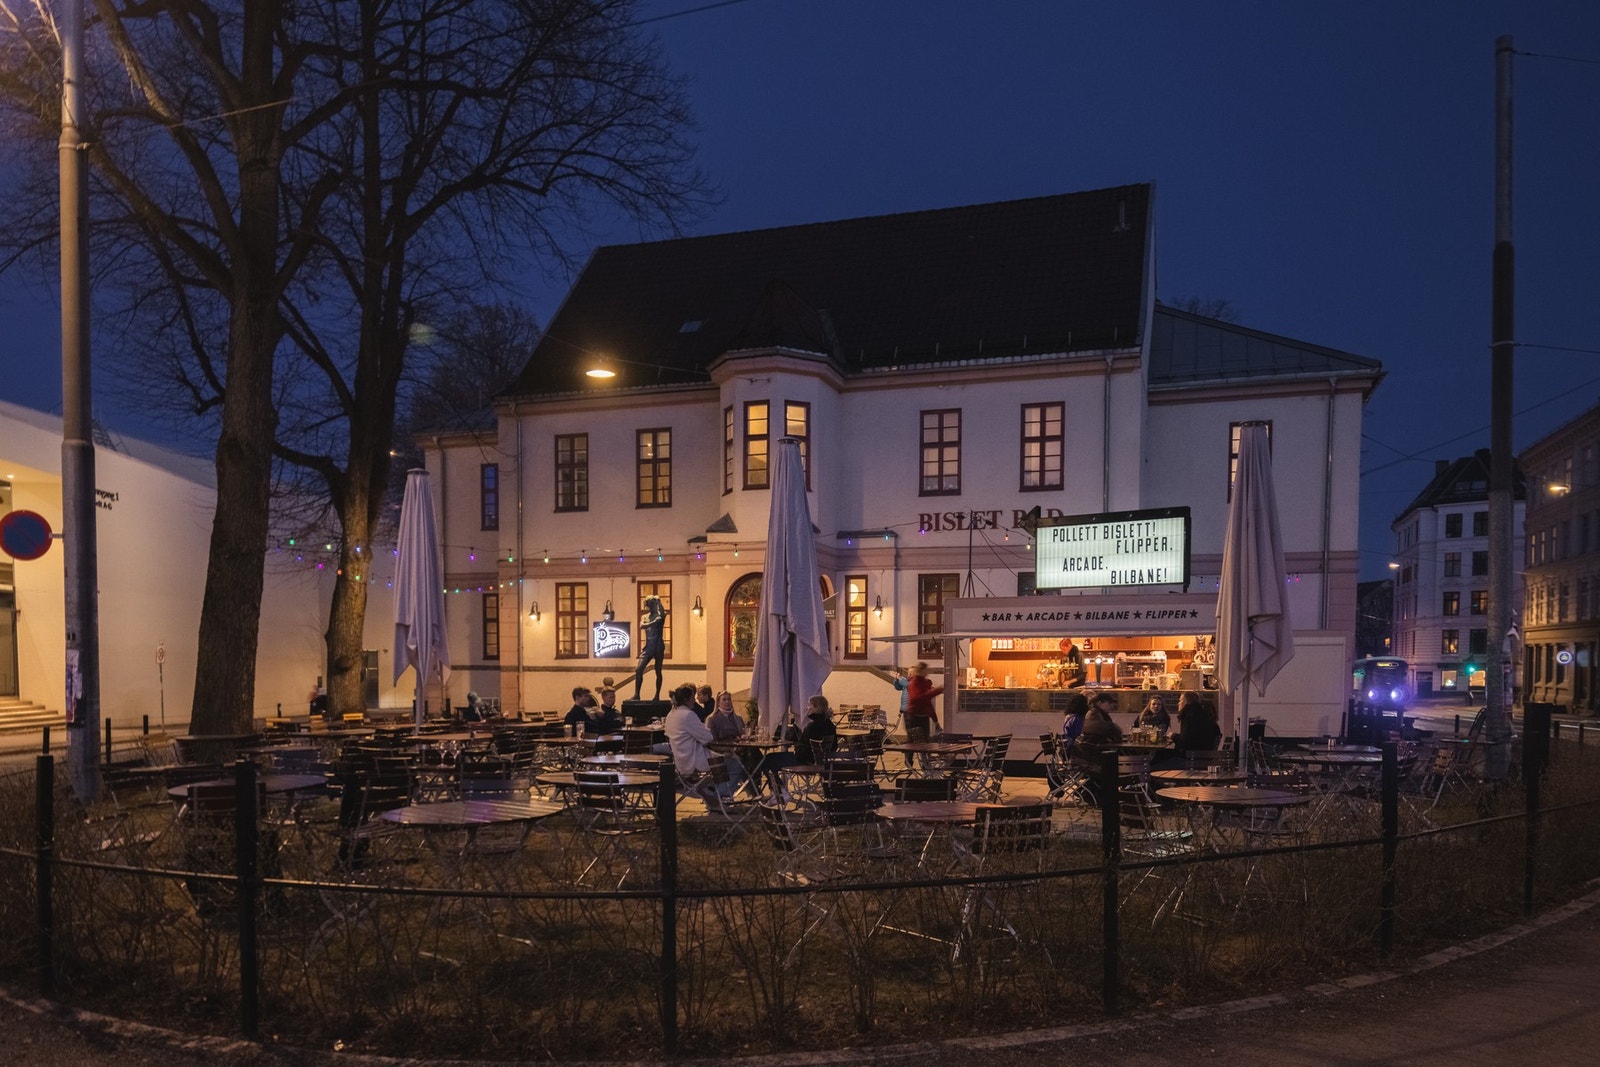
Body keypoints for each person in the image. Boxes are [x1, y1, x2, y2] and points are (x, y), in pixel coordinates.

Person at [664, 682, 741, 796]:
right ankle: (721, 797)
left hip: (680, 760)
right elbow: (708, 737)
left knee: (724, 763)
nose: (694, 701)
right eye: (692, 698)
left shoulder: (671, 714)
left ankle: (713, 796)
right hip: (694, 760)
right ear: (686, 700)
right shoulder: (688, 715)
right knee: (734, 764)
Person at [631, 595, 668, 701]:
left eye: (651, 604)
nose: (649, 606)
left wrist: (659, 601)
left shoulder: (660, 615)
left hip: (658, 646)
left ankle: (657, 695)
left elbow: (662, 613)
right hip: (648, 646)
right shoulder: (646, 617)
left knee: (658, 670)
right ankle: (637, 694)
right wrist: (653, 622)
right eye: (648, 604)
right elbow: (641, 626)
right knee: (639, 669)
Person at [1171, 691, 1222, 755]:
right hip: (1203, 755)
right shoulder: (1201, 714)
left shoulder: (1190, 717)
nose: (1178, 703)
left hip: (1192, 757)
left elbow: (1186, 743)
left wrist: (1173, 736)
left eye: (1180, 700)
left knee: (1159, 758)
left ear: (1186, 702)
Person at [904, 662, 943, 742]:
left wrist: (935, 719)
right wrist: (935, 691)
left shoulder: (925, 682)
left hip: (923, 715)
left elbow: (927, 702)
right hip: (913, 715)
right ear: (921, 671)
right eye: (926, 670)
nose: (927, 672)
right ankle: (911, 754)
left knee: (925, 740)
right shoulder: (914, 683)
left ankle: (925, 754)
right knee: (912, 741)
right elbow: (916, 698)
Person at [794, 694, 839, 764]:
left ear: (816, 708)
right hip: (825, 761)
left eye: (809, 705)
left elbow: (803, 751)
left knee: (773, 758)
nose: (807, 707)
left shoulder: (812, 726)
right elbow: (834, 746)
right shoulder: (830, 724)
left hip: (808, 762)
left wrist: (796, 743)